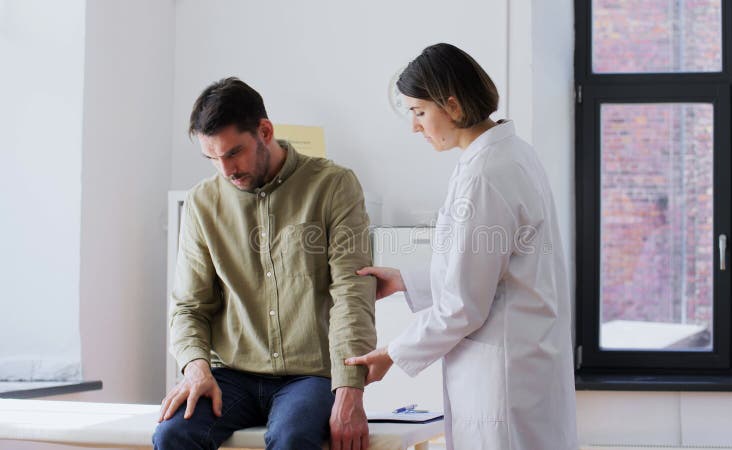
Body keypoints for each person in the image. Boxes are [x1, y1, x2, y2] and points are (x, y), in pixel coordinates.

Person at [345, 43, 578, 449]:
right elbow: (490, 269)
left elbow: (463, 305)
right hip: (524, 364)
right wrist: (406, 280)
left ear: (451, 105)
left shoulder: (485, 174)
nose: (415, 126)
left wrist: (392, 355)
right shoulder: (510, 155)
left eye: (418, 111)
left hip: (503, 377)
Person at [153, 77, 376, 450]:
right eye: (213, 158)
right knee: (173, 434)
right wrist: (196, 367)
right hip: (231, 376)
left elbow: (351, 296)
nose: (225, 170)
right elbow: (189, 306)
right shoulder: (203, 203)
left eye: (233, 153)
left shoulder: (333, 186)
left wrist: (350, 391)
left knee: (291, 438)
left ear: (265, 131)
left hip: (308, 377)